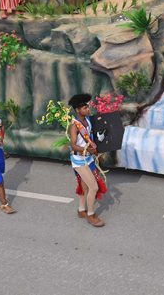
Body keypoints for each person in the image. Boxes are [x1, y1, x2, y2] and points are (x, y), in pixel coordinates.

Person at [68, 93, 107, 227]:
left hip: (89, 159)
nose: (88, 109)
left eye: (87, 107)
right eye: (85, 108)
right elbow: (72, 145)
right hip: (79, 160)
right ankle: (90, 214)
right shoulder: (74, 126)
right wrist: (87, 150)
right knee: (94, 187)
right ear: (77, 110)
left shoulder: (88, 120)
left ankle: (81, 210)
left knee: (84, 186)